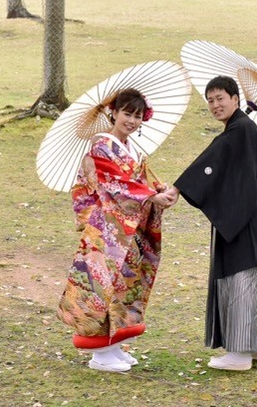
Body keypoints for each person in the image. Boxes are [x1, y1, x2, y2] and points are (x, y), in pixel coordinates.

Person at [56, 88, 179, 373]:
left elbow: (143, 179)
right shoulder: (101, 147)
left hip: (128, 227)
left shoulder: (131, 148)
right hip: (107, 229)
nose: (132, 121)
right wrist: (150, 196)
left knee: (125, 285)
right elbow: (116, 183)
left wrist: (162, 190)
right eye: (127, 113)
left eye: (138, 116)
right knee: (104, 286)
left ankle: (114, 346)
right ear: (113, 112)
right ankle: (100, 353)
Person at [175, 75, 257, 371]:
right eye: (210, 100)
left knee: (242, 280)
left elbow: (217, 155)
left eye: (220, 98)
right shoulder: (241, 128)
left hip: (244, 221)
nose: (215, 105)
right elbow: (223, 157)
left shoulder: (240, 130)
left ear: (236, 99)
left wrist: (180, 187)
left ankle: (239, 354)